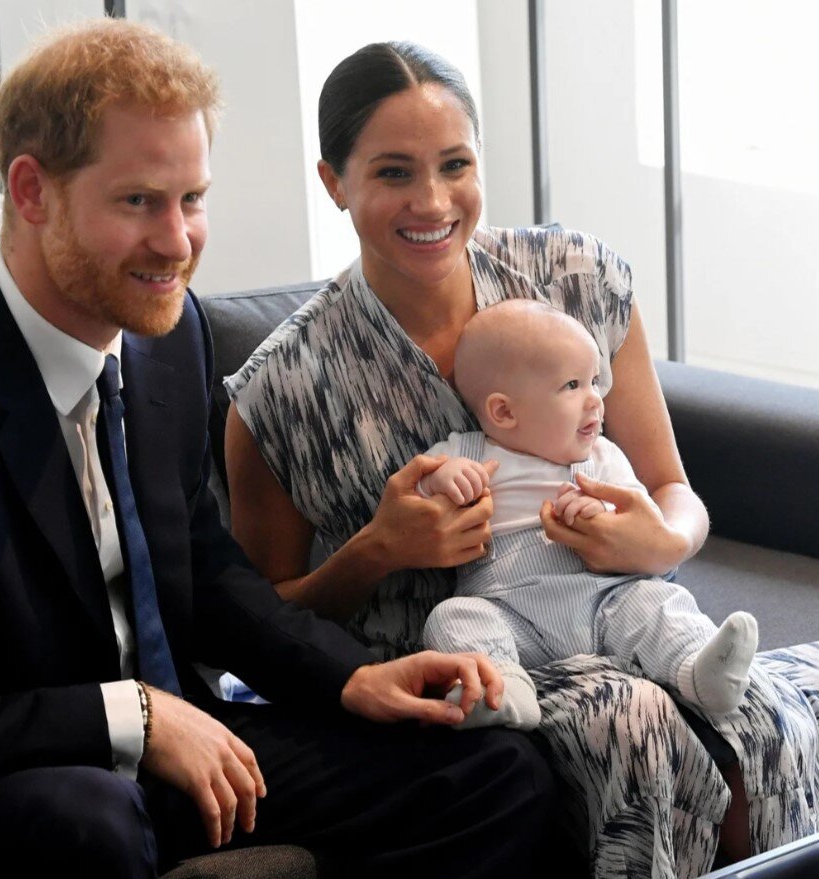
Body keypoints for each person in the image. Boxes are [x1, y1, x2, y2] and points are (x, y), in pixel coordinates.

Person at [0, 20, 560, 878]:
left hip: (189, 732)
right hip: (24, 783)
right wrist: (128, 714)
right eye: (139, 202)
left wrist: (353, 678)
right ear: (31, 191)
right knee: (83, 822)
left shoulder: (167, 339)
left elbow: (202, 571)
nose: (177, 243)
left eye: (192, 199)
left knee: (492, 773)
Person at [224, 40, 819, 878]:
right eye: (392, 172)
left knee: (758, 712)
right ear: (333, 182)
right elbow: (256, 624)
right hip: (467, 663)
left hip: (627, 608)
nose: (431, 200)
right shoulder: (280, 389)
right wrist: (379, 548)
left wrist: (662, 542)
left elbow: (671, 490)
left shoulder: (575, 279)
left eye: (454, 164)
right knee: (631, 720)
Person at [416, 298, 759, 731]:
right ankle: (505, 690)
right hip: (511, 613)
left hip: (606, 602)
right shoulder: (466, 452)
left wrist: (603, 513)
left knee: (658, 603)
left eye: (596, 381)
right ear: (504, 411)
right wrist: (442, 480)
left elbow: (643, 520)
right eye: (572, 385)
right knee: (452, 618)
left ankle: (698, 671)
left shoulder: (601, 457)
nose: (595, 400)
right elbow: (414, 490)